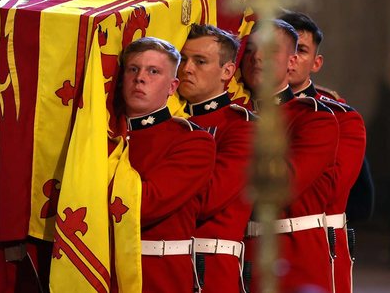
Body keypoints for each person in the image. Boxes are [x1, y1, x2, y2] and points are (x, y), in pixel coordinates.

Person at [240, 20, 339, 293]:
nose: (258, 57)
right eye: (250, 49)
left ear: (291, 61)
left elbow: (283, 187)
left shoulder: (314, 119)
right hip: (239, 256)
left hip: (293, 253)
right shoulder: (233, 116)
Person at [279, 11, 368, 293]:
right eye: (282, 49)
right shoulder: (248, 110)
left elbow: (328, 191)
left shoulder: (340, 116)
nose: (290, 58)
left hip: (314, 247)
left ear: (316, 63)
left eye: (301, 50)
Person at [119, 37, 216, 293]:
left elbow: (145, 205)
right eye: (133, 69)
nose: (140, 78)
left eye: (153, 71)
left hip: (158, 275)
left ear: (172, 86)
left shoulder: (193, 140)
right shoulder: (102, 133)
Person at [176, 24, 254, 293]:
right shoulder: (169, 121)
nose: (186, 69)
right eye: (182, 59)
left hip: (209, 266)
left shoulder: (242, 126)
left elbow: (210, 199)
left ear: (227, 71)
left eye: (200, 61)